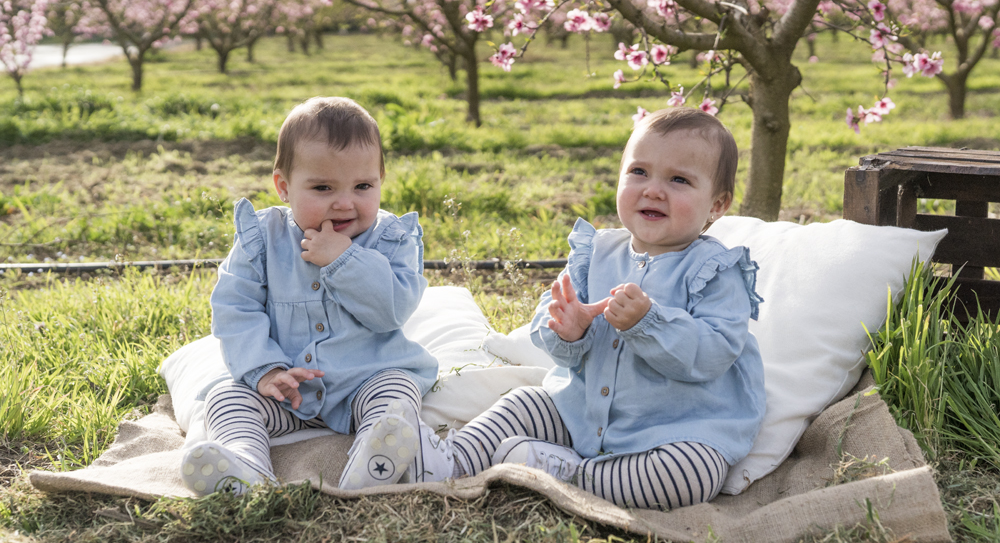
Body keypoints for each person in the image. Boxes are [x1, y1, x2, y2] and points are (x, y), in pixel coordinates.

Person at [431, 107, 766, 510]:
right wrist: (567, 329)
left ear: (717, 204)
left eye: (679, 180)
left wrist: (650, 323)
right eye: (639, 172)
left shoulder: (716, 271)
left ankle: (570, 473)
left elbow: (714, 353)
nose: (653, 190)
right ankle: (443, 460)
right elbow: (547, 324)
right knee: (524, 403)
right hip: (582, 412)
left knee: (694, 474)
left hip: (675, 430)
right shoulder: (595, 254)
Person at [180, 96, 449, 495]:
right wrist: (266, 371)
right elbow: (235, 307)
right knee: (226, 397)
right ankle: (245, 465)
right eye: (323, 187)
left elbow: (390, 312)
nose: (344, 202)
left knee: (396, 393)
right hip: (286, 390)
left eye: (363, 186)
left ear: (380, 181)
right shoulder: (262, 238)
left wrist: (345, 259)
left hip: (366, 379)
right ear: (284, 187)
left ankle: (375, 457)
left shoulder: (391, 240)